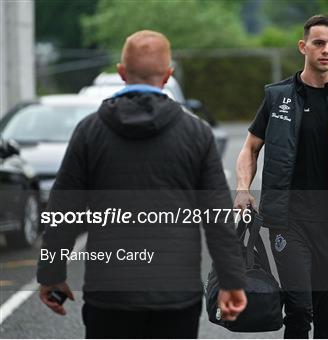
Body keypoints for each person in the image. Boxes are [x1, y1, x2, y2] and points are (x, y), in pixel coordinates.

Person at [37, 30, 247, 339]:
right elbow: (217, 217)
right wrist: (231, 281)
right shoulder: (196, 133)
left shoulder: (89, 131)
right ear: (168, 76)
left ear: (122, 72)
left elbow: (63, 211)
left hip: (109, 292)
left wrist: (51, 275)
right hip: (175, 291)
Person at [235, 15, 328, 338]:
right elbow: (250, 148)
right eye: (319, 43)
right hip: (288, 223)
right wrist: (242, 189)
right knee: (299, 310)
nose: (326, 51)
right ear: (303, 46)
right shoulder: (278, 97)